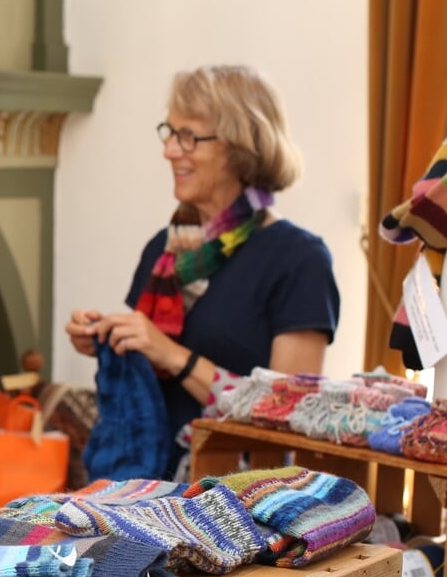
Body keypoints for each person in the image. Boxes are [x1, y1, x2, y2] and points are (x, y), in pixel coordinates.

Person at [65, 65, 340, 477]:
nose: (170, 150)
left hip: (237, 500)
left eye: (189, 136)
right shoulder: (164, 247)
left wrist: (174, 355)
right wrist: (105, 336)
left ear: (241, 146)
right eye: (169, 133)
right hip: (143, 486)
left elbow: (288, 416)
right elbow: (146, 376)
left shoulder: (299, 259)